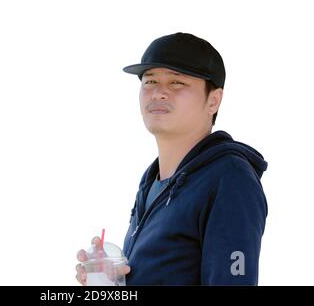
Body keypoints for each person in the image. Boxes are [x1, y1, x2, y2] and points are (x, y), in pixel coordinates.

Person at [75, 32, 268, 285]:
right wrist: (112, 283)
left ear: (214, 100)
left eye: (177, 83)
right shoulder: (152, 180)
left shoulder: (230, 177)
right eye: (150, 81)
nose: (159, 93)